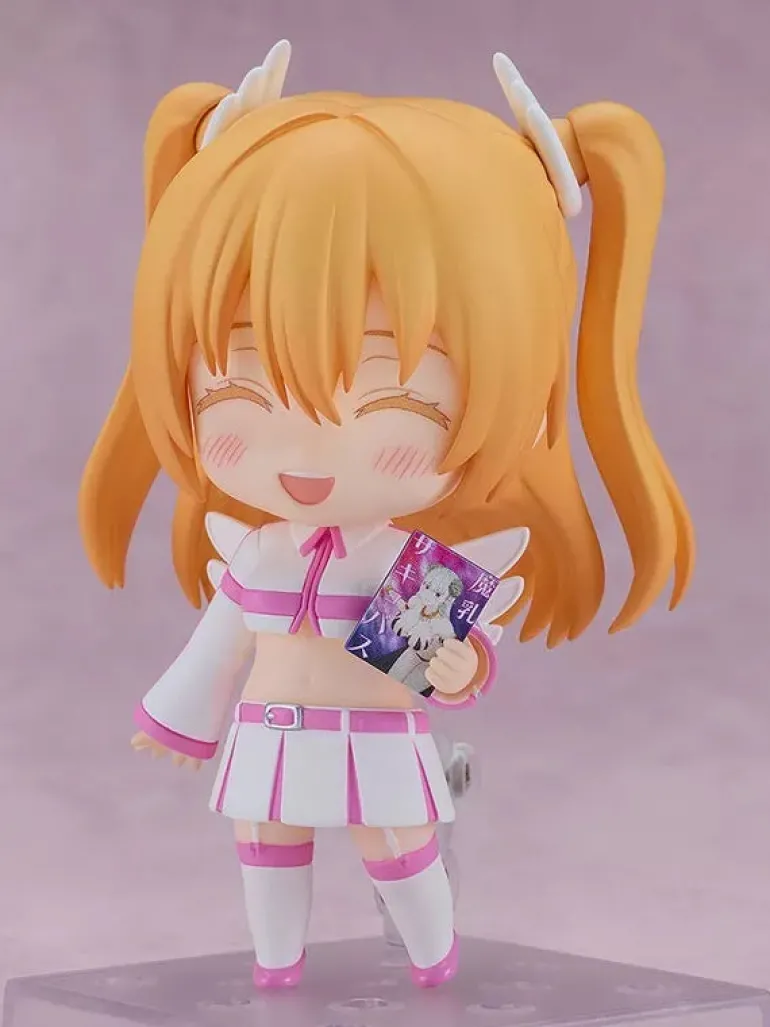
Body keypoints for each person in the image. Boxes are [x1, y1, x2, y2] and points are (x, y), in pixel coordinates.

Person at [78, 40, 694, 991]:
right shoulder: (261, 553)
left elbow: (447, 658)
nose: (306, 449)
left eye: (389, 399)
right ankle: (275, 965)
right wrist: (178, 720)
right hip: (274, 730)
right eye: (239, 385)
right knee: (265, 840)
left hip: (374, 739)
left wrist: (460, 667)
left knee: (395, 847)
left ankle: (432, 957)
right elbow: (216, 645)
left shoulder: (409, 560)